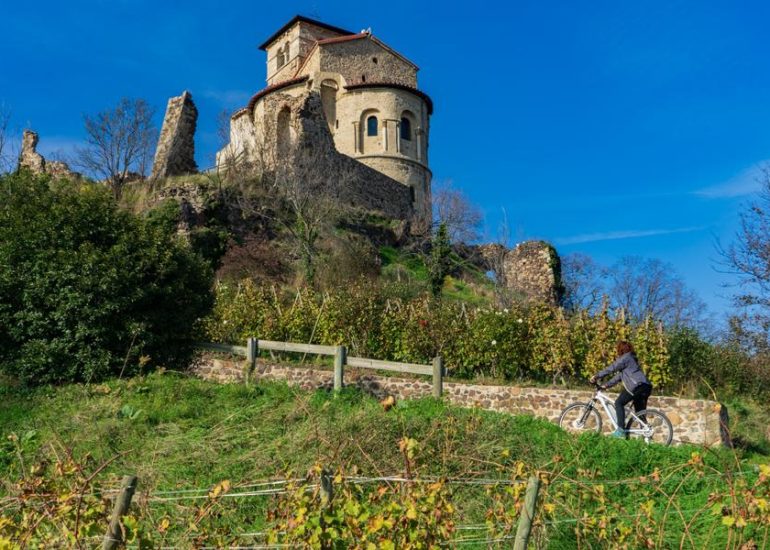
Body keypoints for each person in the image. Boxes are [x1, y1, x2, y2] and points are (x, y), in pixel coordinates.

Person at [590, 341, 652, 438]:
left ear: (620, 349)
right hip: (645, 386)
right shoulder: (631, 360)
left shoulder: (626, 358)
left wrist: (597, 376)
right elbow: (618, 377)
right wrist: (605, 385)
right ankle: (647, 437)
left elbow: (612, 368)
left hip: (637, 386)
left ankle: (621, 431)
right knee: (640, 414)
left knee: (619, 403)